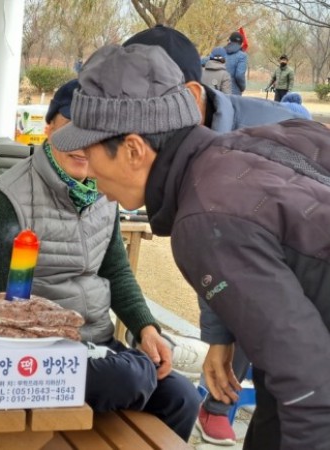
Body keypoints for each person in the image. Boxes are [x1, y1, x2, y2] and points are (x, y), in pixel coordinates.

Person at [52, 42, 330, 450]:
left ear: (133, 150)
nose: (89, 173)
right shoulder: (272, 137)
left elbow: (312, 391)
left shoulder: (203, 220)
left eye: (92, 156)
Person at [0, 79, 201, 442]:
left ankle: (134, 367)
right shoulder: (8, 199)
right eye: (70, 131)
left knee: (183, 398)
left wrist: (146, 329)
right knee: (128, 377)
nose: (82, 146)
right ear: (48, 129)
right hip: (40, 355)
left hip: (99, 346)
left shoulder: (103, 191)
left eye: (93, 135)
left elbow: (115, 269)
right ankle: (133, 369)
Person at [123, 25, 305, 446]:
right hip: (278, 332)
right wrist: (221, 337)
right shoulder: (175, 151)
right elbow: (224, 258)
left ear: (187, 96)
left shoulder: (276, 129)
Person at [224, 31, 247, 95]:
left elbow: (205, 61)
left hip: (218, 92)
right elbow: (239, 75)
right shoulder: (242, 56)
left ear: (229, 41)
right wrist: (242, 87)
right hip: (234, 93)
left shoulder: (219, 52)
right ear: (241, 43)